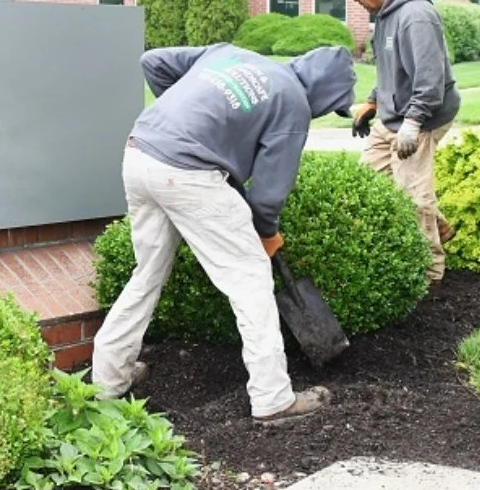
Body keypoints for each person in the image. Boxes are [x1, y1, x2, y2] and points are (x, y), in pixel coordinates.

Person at [92, 43, 357, 424]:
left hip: (141, 153)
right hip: (186, 173)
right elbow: (267, 197)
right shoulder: (293, 102)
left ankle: (107, 378)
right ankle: (273, 398)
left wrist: (198, 128)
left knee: (147, 274)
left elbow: (153, 61)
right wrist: (266, 235)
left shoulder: (233, 54)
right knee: (251, 281)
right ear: (326, 93)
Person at [337, 0, 462, 283]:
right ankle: (442, 226)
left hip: (423, 116)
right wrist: (372, 102)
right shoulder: (385, 16)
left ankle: (431, 274)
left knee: (414, 194)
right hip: (393, 117)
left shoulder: (416, 16)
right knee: (368, 180)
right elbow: (392, 71)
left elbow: (430, 79)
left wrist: (413, 123)